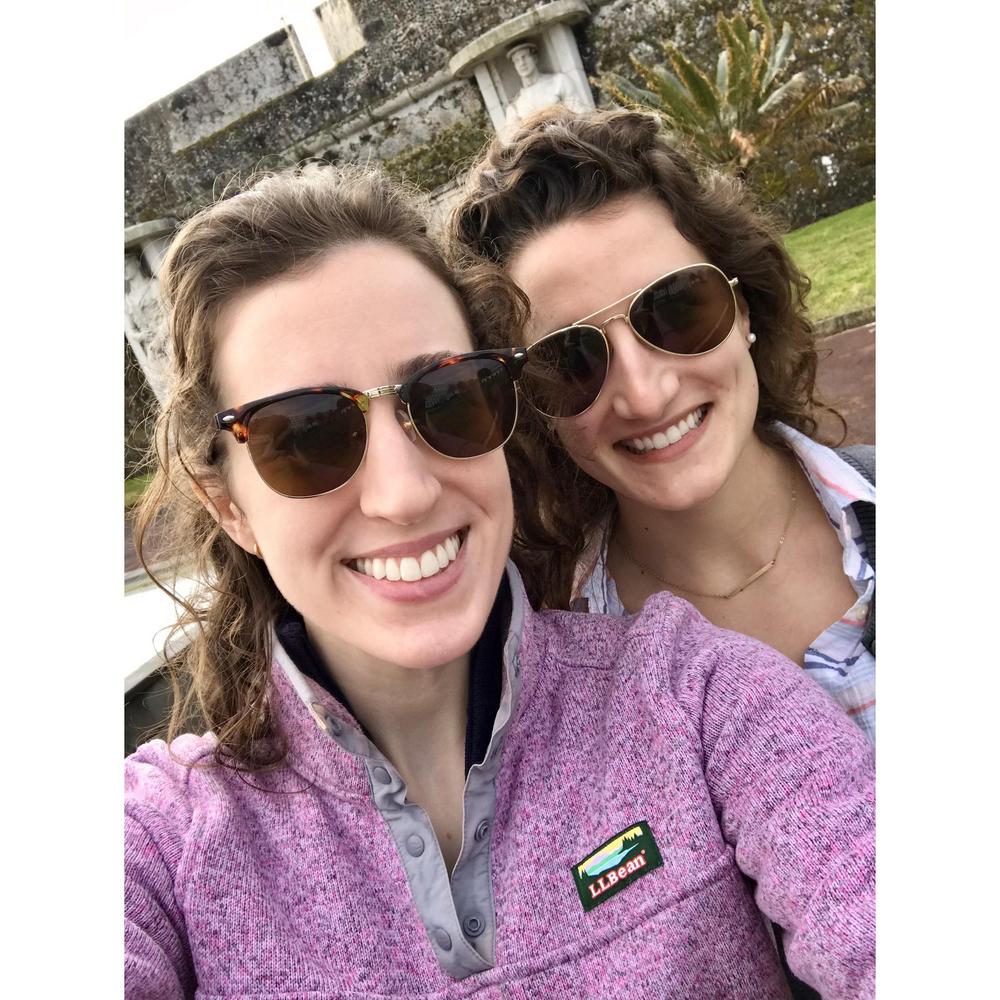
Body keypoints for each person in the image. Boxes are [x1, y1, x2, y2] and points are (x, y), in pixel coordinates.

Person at [125, 162, 874, 998]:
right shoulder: (161, 843)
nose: (404, 493)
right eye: (307, 437)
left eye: (447, 398)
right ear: (227, 504)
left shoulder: (696, 695)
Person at [452, 108, 876, 744]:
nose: (646, 395)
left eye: (677, 309)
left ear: (743, 307)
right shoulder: (551, 683)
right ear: (532, 407)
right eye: (570, 359)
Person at [504, 41, 587, 136]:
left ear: (534, 58)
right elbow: (514, 137)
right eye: (516, 60)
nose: (522, 63)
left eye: (524, 57)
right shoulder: (516, 105)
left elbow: (579, 113)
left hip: (566, 137)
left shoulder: (559, 82)